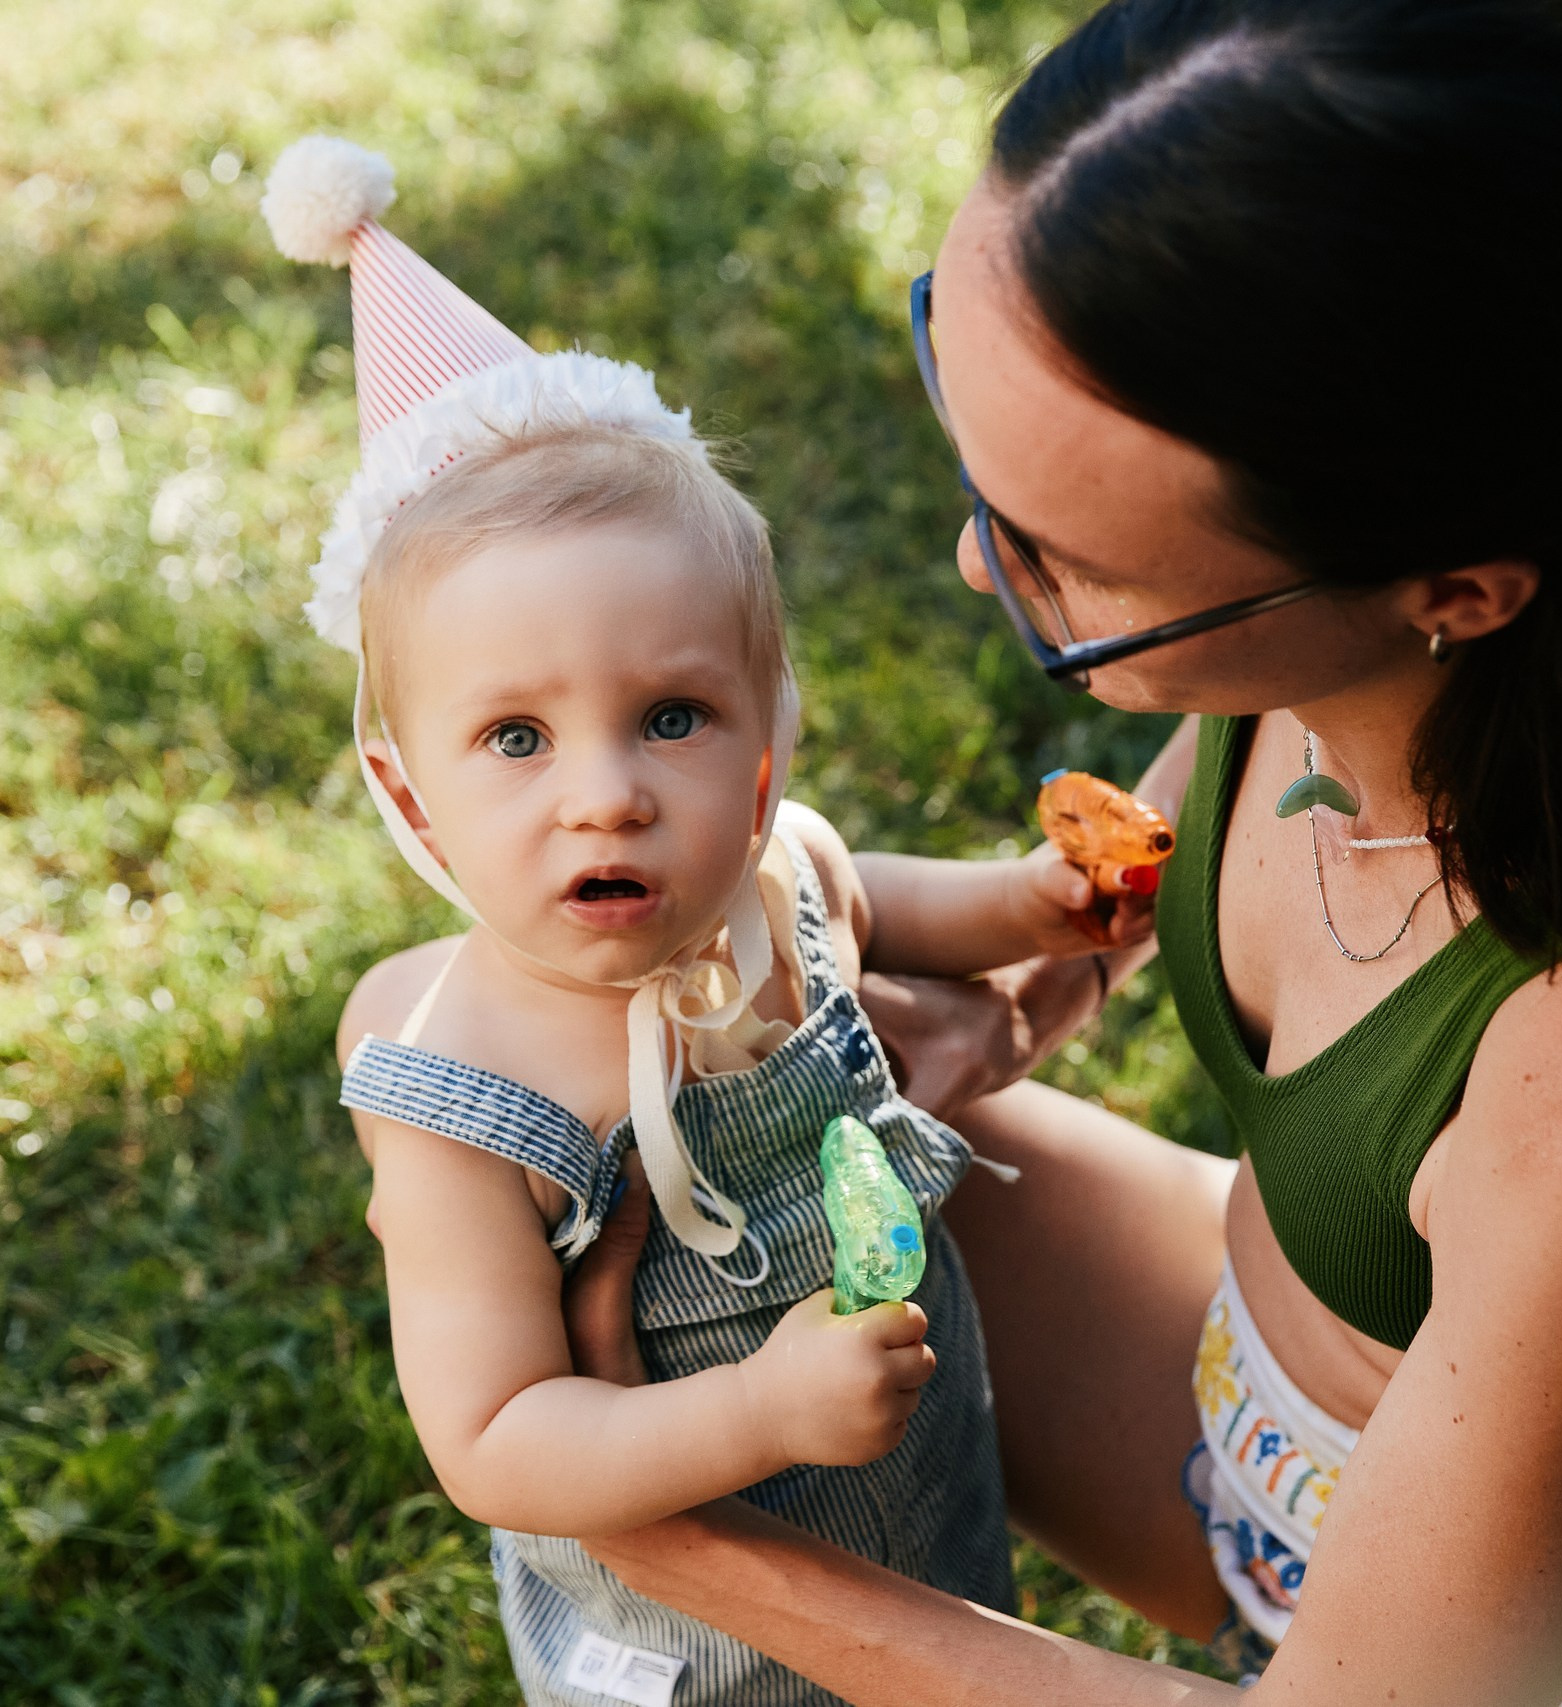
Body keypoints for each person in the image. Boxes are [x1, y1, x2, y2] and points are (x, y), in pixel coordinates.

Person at [552, 2, 1562, 1703]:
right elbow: (1175, 816)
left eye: (1068, 563)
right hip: (1260, 1421)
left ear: (1455, 590)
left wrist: (661, 1533)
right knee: (642, 1171)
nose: (982, 568)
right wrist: (1039, 977)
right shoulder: (1385, 644)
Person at [258, 137, 1135, 1704]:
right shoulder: (469, 1104)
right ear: (408, 794)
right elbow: (496, 1437)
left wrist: (1026, 902)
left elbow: (872, 901)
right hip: (699, 1645)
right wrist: (762, 1418)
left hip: (918, 1516)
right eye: (516, 740)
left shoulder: (773, 871)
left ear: (764, 737)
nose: (606, 795)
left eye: (670, 716)